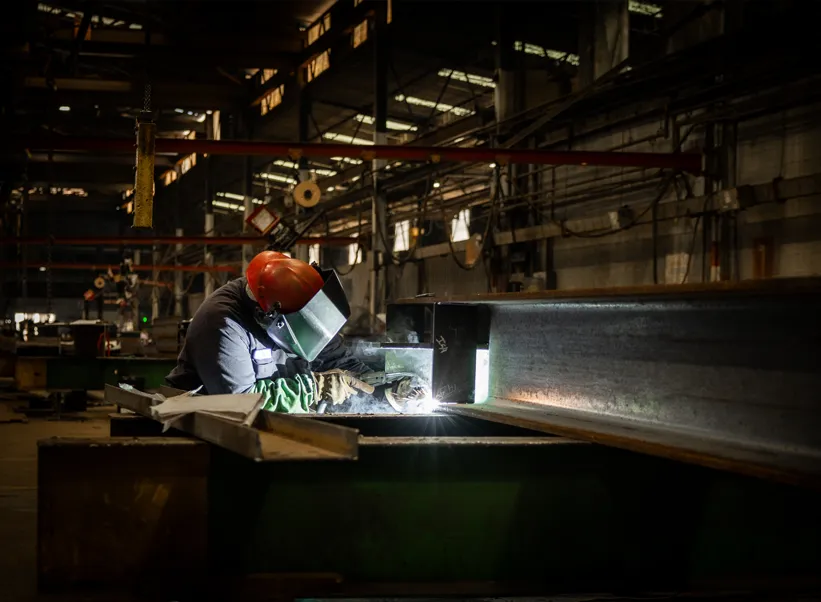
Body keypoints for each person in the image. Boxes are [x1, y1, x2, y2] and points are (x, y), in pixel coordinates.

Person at [166, 251, 372, 413]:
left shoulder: (302, 303)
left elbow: (340, 361)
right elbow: (240, 403)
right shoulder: (223, 324)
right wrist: (313, 389)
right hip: (211, 429)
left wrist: (381, 387)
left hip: (278, 424)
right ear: (269, 316)